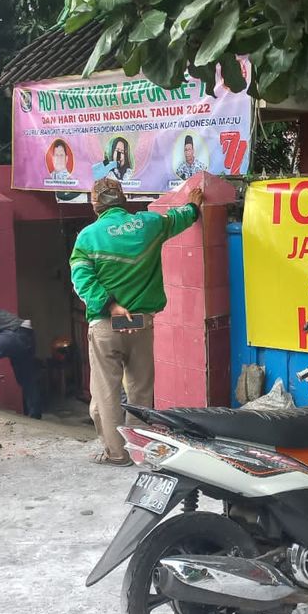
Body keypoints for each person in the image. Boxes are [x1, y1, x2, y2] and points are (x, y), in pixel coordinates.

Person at [70, 177, 203, 465]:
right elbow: (181, 217)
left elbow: (81, 279)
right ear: (124, 199)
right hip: (142, 324)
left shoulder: (88, 237)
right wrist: (194, 205)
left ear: (95, 205)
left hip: (106, 325)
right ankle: (139, 452)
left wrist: (111, 305)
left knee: (106, 394)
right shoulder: (149, 224)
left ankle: (117, 454)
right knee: (140, 390)